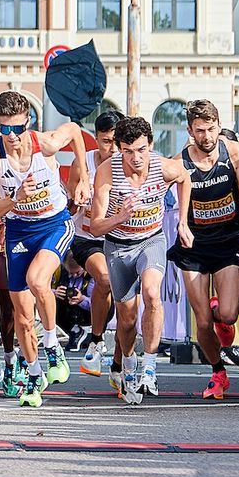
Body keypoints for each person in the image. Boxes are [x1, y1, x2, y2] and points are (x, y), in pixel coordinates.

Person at [0, 92, 88, 407]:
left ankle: (53, 342)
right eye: (4, 129)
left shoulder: (45, 143)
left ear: (28, 123)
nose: (12, 137)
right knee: (22, 315)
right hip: (18, 229)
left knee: (38, 280)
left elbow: (74, 131)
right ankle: (33, 375)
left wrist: (81, 177)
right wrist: (15, 198)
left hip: (54, 223)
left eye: (17, 128)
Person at [89, 117, 193, 405]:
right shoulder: (107, 173)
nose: (136, 158)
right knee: (127, 319)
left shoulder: (163, 167)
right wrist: (120, 216)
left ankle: (150, 364)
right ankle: (128, 363)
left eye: (142, 150)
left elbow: (185, 178)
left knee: (152, 294)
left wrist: (183, 222)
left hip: (151, 240)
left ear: (151, 146)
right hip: (119, 246)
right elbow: (96, 227)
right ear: (119, 150)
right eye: (128, 151)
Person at [170, 100, 239, 400]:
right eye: (199, 131)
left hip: (227, 240)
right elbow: (153, 187)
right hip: (194, 245)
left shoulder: (233, 151)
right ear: (190, 131)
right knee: (202, 321)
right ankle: (218, 372)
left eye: (211, 129)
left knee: (228, 315)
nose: (206, 137)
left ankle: (220, 311)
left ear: (219, 125)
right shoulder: (179, 162)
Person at [72, 112, 121, 376]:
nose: (111, 148)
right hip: (88, 238)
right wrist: (77, 198)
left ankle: (118, 365)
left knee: (129, 303)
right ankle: (96, 338)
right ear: (97, 139)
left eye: (116, 141)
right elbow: (69, 204)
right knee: (104, 278)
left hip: (122, 238)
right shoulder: (85, 164)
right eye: (105, 141)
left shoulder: (130, 163)